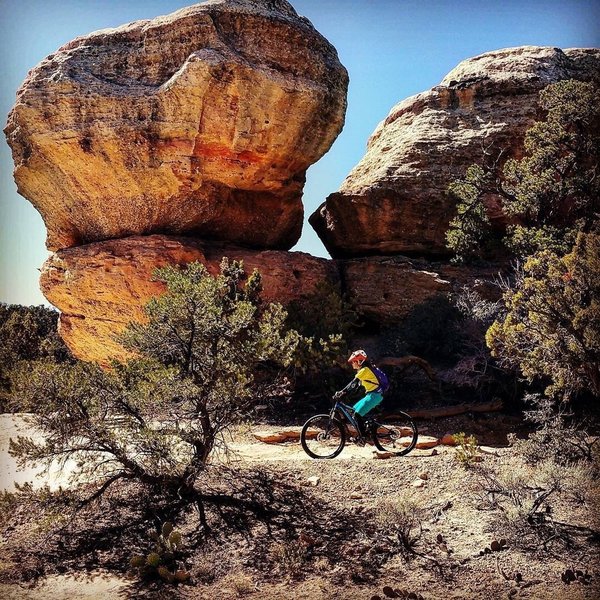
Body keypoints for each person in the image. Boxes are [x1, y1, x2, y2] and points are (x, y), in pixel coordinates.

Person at [334, 349, 384, 438]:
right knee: (353, 411)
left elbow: (353, 383)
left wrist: (342, 392)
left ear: (359, 361)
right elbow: (356, 386)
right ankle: (368, 427)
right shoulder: (364, 370)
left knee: (357, 414)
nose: (352, 364)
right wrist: (345, 393)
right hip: (371, 395)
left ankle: (364, 437)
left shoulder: (364, 370)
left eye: (353, 362)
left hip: (375, 395)